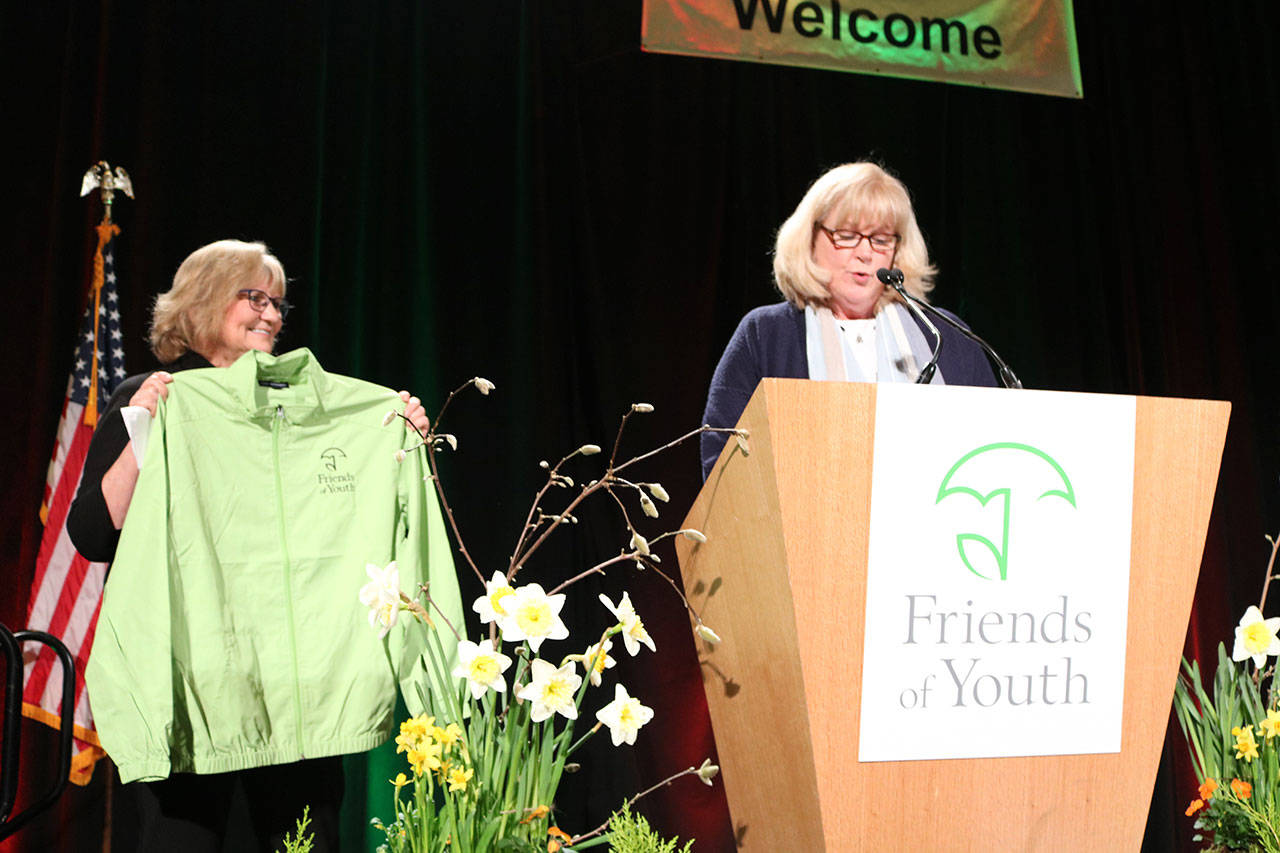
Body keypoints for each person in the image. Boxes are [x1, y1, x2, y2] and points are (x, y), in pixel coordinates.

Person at [68, 239, 451, 852]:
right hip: (192, 690)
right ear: (203, 301)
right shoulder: (156, 396)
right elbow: (90, 534)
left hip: (303, 696)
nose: (271, 314)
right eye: (253, 297)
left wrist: (399, 441)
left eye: (277, 302)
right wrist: (142, 434)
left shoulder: (311, 411)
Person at [700, 162, 998, 478]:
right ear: (810, 238)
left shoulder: (944, 336)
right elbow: (723, 462)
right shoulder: (766, 335)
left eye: (881, 239)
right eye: (847, 235)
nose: (865, 253)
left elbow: (995, 446)